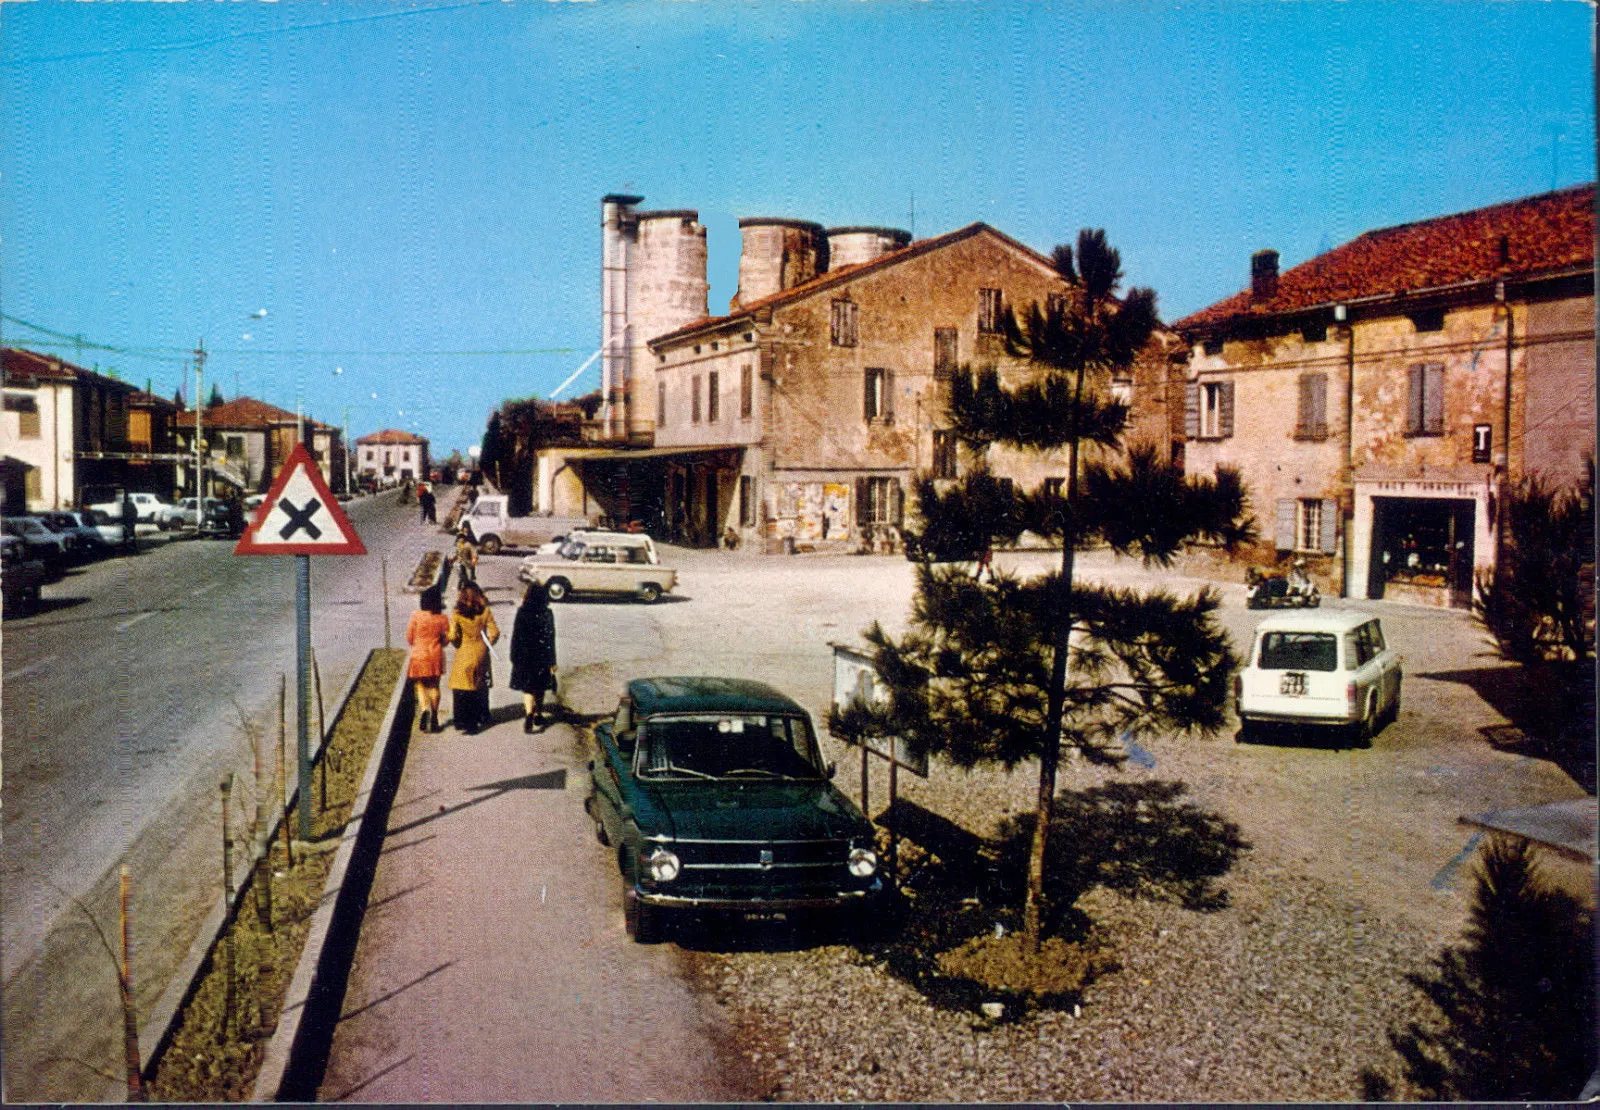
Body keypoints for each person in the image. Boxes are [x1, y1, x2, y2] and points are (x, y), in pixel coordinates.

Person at [447, 582, 499, 735]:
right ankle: (481, 715)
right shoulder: (485, 611)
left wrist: (455, 642)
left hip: (464, 650)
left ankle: (463, 721)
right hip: (481, 650)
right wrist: (486, 644)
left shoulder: (457, 613)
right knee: (479, 684)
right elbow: (495, 632)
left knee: (462, 687)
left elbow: (452, 636)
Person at [508, 583, 558, 732]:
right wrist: (552, 661)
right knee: (540, 686)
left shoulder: (521, 612)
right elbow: (550, 638)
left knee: (527, 687)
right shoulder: (547, 613)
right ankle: (538, 714)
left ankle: (529, 713)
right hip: (541, 654)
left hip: (524, 654)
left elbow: (516, 636)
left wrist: (513, 655)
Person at [406, 587, 450, 732]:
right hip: (435, 656)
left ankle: (425, 710)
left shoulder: (415, 616)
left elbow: (410, 638)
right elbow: (446, 640)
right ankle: (435, 716)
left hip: (419, 655)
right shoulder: (442, 618)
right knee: (434, 686)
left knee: (420, 685)